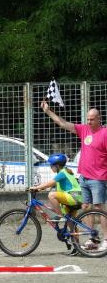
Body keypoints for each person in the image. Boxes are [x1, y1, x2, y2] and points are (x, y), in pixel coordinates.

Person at [41, 100, 107, 250]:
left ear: (99, 119)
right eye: (88, 119)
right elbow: (63, 123)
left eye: (92, 119)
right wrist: (48, 111)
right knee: (86, 207)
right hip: (84, 177)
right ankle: (92, 239)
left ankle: (106, 239)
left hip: (98, 177)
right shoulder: (83, 130)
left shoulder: (104, 133)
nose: (89, 122)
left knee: (99, 208)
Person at [29, 153, 82, 255]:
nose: (50, 167)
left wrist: (35, 187)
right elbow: (52, 185)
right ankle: (77, 247)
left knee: (51, 195)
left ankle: (60, 216)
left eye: (51, 165)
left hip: (73, 197)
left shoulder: (62, 173)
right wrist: (40, 188)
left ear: (57, 166)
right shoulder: (65, 171)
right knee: (71, 224)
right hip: (75, 197)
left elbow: (50, 183)